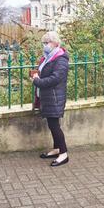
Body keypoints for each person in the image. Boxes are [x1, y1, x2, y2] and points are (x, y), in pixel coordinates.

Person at [30, 31, 70, 167]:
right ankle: (57, 149)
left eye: (47, 43)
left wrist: (37, 81)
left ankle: (63, 153)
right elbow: (45, 73)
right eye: (44, 43)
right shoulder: (48, 57)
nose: (45, 45)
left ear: (56, 43)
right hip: (48, 97)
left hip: (55, 97)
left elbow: (56, 78)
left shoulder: (61, 59)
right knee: (52, 124)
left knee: (54, 126)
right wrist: (36, 74)